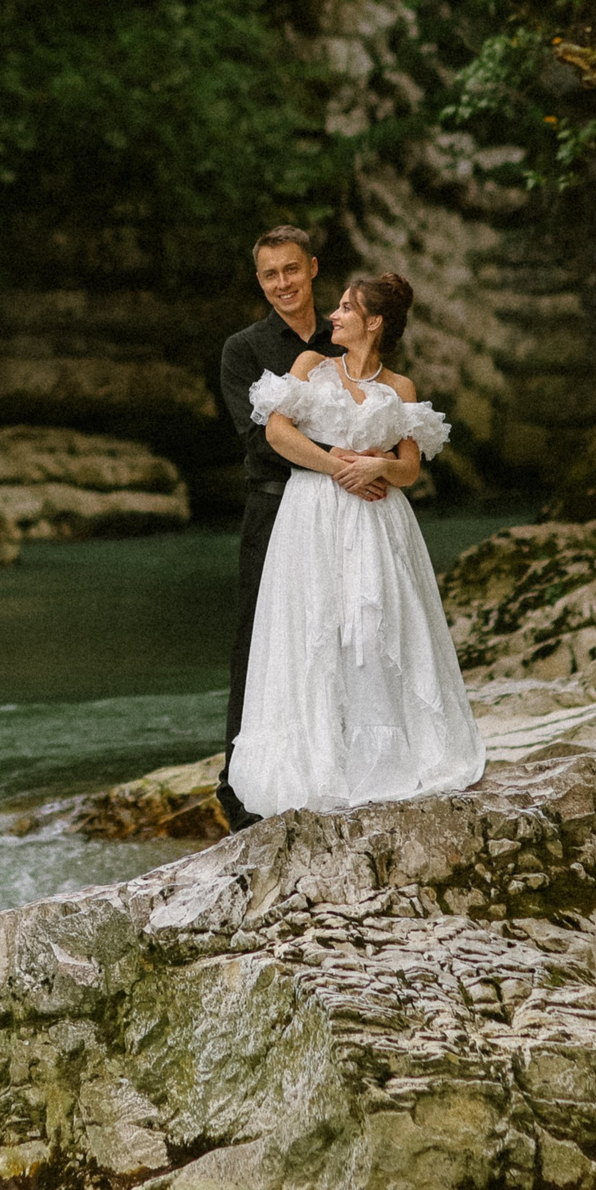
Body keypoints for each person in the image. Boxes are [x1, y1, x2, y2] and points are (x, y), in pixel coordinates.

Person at [223, 271, 485, 817]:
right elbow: (276, 433)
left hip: (378, 521)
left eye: (346, 308)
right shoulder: (310, 367)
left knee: (373, 629)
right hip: (312, 513)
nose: (334, 316)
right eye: (337, 306)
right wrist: (338, 467)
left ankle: (384, 761)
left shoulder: (402, 387)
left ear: (375, 323)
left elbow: (410, 469)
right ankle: (320, 761)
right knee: (317, 627)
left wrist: (378, 464)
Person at [213, 227, 387, 829]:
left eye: (291, 270)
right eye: (269, 275)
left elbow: (384, 406)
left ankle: (342, 767)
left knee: (348, 634)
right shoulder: (244, 349)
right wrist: (347, 466)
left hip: (352, 515)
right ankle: (238, 790)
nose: (282, 284)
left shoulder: (347, 328)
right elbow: (258, 441)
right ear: (259, 281)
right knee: (259, 638)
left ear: (312, 268)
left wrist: (379, 465)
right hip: (274, 506)